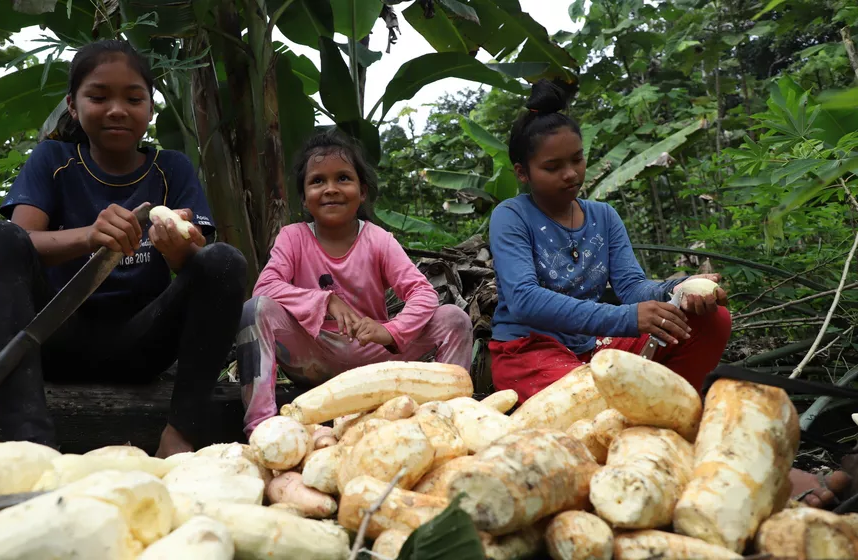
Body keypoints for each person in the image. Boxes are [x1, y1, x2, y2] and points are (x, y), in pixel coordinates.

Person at [488, 78, 850, 509]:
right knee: (602, 414)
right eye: (553, 167)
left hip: (592, 348)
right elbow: (526, 299)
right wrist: (628, 318)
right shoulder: (511, 216)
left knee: (708, 319)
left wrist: (677, 289)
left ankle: (683, 413)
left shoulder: (603, 216)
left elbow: (630, 288)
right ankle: (748, 471)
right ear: (522, 172)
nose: (571, 174)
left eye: (578, 160)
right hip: (529, 349)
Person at [0, 40, 247, 457]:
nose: (117, 109)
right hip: (56, 339)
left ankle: (181, 435)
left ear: (150, 108)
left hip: (143, 345)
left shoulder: (172, 168)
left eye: (134, 98)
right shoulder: (54, 160)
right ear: (73, 106)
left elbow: (201, 266)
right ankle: (28, 441)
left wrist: (178, 249)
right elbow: (20, 242)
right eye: (98, 96)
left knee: (224, 260)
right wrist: (88, 235)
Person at [235, 131, 473, 435]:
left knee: (453, 319)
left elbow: (423, 294)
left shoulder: (378, 240)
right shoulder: (293, 237)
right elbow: (265, 287)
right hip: (314, 356)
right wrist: (325, 301)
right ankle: (262, 428)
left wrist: (390, 331)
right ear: (305, 198)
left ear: (362, 192)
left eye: (343, 178)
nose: (331, 189)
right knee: (256, 309)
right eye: (318, 181)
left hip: (374, 355)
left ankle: (450, 418)